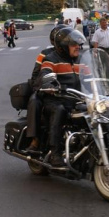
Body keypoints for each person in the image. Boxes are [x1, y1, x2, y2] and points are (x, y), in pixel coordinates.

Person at [35, 28, 87, 166]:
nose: (78, 47)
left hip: (76, 99)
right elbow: (44, 73)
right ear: (63, 47)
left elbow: (91, 76)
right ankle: (55, 153)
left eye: (79, 44)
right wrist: (50, 83)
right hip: (56, 98)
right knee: (59, 110)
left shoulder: (80, 60)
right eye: (74, 44)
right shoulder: (51, 59)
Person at [25, 24, 67, 152]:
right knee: (35, 101)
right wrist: (43, 87)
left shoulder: (72, 54)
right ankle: (35, 139)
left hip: (67, 91)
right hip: (47, 89)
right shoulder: (45, 54)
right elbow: (36, 75)